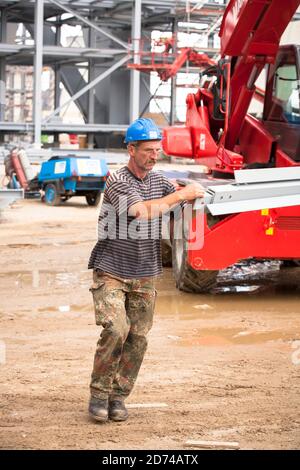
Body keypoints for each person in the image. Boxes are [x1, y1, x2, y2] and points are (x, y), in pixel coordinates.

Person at [88, 118, 205, 423]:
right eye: (149, 150)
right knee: (116, 329)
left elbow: (178, 203)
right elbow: (140, 212)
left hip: (144, 272)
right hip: (111, 269)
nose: (156, 155)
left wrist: (195, 195)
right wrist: (181, 195)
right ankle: (99, 394)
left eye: (158, 150)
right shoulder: (117, 181)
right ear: (131, 149)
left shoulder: (161, 181)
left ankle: (118, 397)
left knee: (138, 337)